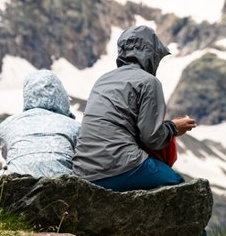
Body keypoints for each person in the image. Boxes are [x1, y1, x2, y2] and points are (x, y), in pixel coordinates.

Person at [73, 25, 196, 191]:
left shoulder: (102, 80)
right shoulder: (149, 82)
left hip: (83, 172)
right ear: (151, 55)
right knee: (177, 184)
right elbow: (152, 138)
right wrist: (174, 127)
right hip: (119, 167)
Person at [0, 70, 80, 177]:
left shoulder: (8, 125)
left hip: (16, 181)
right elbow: (81, 159)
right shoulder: (74, 126)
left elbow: (7, 155)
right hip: (62, 181)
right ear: (61, 95)